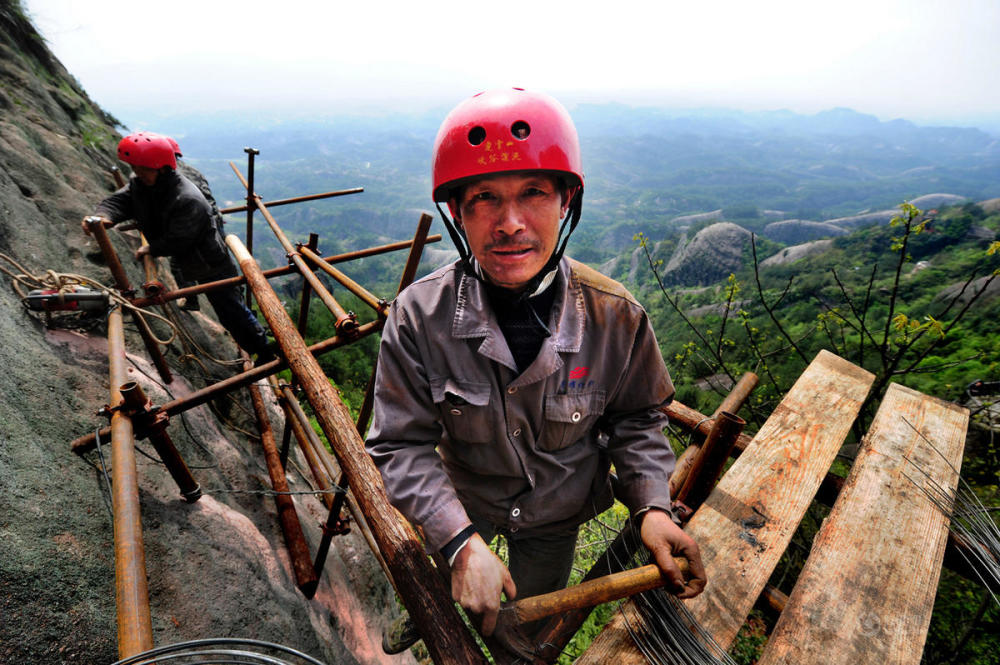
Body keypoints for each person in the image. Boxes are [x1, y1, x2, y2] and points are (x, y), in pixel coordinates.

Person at [366, 88, 706, 649]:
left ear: (566, 201)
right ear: (457, 211)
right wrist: (458, 542)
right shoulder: (419, 318)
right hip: (462, 493)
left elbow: (638, 419)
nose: (510, 223)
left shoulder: (614, 317)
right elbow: (398, 444)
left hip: (555, 511)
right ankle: (436, 608)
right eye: (483, 198)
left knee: (525, 621)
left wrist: (651, 504)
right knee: (448, 572)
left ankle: (515, 654)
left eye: (534, 193)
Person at [83, 131, 272, 359]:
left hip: (209, 263)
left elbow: (179, 240)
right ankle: (255, 341)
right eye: (136, 168)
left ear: (162, 168)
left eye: (143, 169)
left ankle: (265, 351)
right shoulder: (144, 184)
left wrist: (151, 248)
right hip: (190, 259)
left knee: (231, 310)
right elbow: (121, 200)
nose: (137, 173)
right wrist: (104, 215)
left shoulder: (188, 199)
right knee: (230, 307)